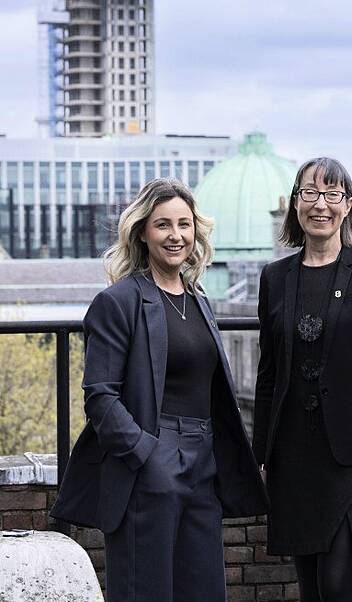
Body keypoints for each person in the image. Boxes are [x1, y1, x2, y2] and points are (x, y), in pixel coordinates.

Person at [51, 178, 267, 601]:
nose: (176, 235)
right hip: (149, 463)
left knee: (204, 591)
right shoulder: (119, 302)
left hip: (203, 465)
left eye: (184, 224)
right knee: (144, 592)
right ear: (143, 232)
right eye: (163, 224)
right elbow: (100, 396)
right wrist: (146, 455)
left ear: (196, 231)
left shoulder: (199, 300)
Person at [252, 157, 352, 602]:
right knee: (309, 589)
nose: (319, 204)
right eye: (309, 193)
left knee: (339, 584)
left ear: (347, 206)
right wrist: (260, 454)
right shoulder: (275, 278)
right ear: (295, 204)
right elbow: (269, 372)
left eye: (332, 195)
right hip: (292, 458)